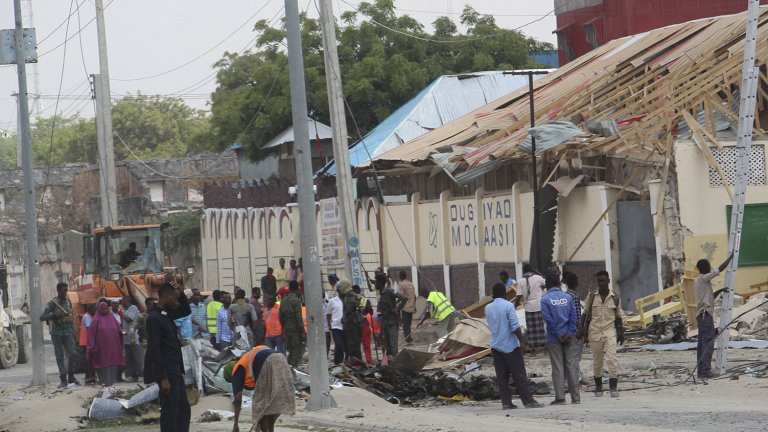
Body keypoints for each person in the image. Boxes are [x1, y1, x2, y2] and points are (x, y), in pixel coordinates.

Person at [485, 283, 543, 409]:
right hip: (510, 346)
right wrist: (522, 341)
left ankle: (506, 402)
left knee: (502, 376)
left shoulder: (488, 308)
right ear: (504, 294)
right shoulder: (508, 306)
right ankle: (528, 401)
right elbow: (515, 326)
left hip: (496, 345)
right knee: (519, 374)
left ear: (493, 295)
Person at [145, 282, 192, 432]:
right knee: (170, 412)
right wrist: (162, 377)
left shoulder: (167, 314)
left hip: (176, 370)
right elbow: (155, 349)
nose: (176, 301)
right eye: (174, 297)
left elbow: (185, 309)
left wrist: (181, 292)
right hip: (167, 372)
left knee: (183, 410)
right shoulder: (154, 318)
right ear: (166, 296)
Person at [225, 345, 295, 432]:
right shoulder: (246, 359)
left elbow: (238, 399)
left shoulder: (237, 370)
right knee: (270, 404)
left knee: (260, 406)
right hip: (282, 360)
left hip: (268, 362)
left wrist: (235, 424)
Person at [582, 270, 625, 398]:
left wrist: (621, 333)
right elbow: (585, 314)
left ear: (608, 281)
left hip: (610, 331)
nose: (601, 283)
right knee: (597, 361)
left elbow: (618, 317)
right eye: (599, 281)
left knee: (612, 359)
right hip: (594, 332)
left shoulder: (615, 297)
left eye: (603, 281)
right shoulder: (591, 297)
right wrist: (581, 331)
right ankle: (599, 387)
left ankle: (613, 388)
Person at [540, 272, 580, 405]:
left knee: (558, 367)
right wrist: (569, 333)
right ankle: (576, 397)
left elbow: (549, 320)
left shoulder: (545, 299)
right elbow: (573, 317)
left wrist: (558, 335)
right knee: (571, 365)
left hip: (554, 338)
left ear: (547, 285)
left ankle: (560, 398)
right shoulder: (567, 297)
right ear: (559, 283)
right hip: (569, 337)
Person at [695, 254, 733, 379]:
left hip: (702, 315)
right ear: (705, 268)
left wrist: (721, 290)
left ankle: (701, 371)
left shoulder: (702, 281)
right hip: (705, 315)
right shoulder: (703, 278)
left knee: (702, 344)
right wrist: (730, 257)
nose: (711, 267)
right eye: (709, 266)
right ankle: (705, 372)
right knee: (707, 344)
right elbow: (719, 270)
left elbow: (710, 296)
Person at [40, 282, 80, 388]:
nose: (65, 293)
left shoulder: (68, 302)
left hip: (68, 331)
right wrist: (54, 315)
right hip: (57, 332)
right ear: (58, 291)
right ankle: (63, 379)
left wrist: (74, 331)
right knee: (60, 356)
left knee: (73, 353)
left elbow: (70, 317)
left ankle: (71, 376)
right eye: (63, 291)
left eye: (66, 290)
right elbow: (42, 317)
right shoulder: (52, 303)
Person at [87, 301, 125, 386]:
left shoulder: (112, 318)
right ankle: (104, 384)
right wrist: (92, 346)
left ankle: (111, 384)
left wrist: (122, 333)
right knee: (103, 366)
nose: (104, 311)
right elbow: (91, 334)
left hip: (112, 349)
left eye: (106, 309)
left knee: (112, 366)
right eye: (102, 309)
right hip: (101, 349)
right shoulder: (95, 320)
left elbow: (119, 329)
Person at [561, 270, 587, 386]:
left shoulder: (564, 296)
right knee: (575, 357)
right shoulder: (575, 296)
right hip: (575, 330)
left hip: (566, 330)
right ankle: (576, 380)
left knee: (569, 356)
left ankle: (572, 378)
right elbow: (576, 315)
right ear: (576, 283)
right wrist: (580, 330)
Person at [514, 265, 547, 350]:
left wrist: (514, 307)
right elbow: (547, 283)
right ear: (532, 270)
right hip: (539, 305)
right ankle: (543, 346)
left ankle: (533, 349)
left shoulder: (521, 281)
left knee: (531, 329)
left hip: (528, 308)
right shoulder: (538, 277)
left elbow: (518, 296)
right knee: (541, 327)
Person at [376, 273, 407, 358]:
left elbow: (404, 298)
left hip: (392, 323)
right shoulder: (381, 295)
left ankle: (395, 363)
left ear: (380, 283)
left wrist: (397, 309)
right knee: (387, 347)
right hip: (384, 324)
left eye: (376, 282)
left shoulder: (389, 291)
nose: (375, 284)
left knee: (393, 346)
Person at [278, 281, 306, 367]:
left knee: (290, 352)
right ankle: (291, 370)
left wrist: (283, 329)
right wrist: (302, 332)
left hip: (286, 330)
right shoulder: (296, 301)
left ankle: (288, 369)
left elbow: (280, 317)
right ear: (297, 289)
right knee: (297, 353)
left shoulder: (283, 301)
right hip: (295, 331)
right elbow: (298, 318)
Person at [121, 296, 144, 382]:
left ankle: (141, 374)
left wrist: (121, 315)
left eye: (122, 300)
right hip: (126, 338)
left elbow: (129, 319)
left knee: (137, 357)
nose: (121, 302)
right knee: (129, 359)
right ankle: (131, 376)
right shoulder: (125, 309)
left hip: (133, 338)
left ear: (127, 300)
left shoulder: (133, 308)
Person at [340, 279, 362, 362]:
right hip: (352, 324)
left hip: (352, 325)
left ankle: (356, 364)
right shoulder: (348, 295)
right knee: (352, 347)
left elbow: (350, 307)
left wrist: (344, 317)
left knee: (353, 347)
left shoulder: (349, 295)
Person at [354, 284, 374, 363]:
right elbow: (371, 311)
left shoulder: (354, 300)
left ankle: (360, 361)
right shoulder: (365, 300)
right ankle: (367, 360)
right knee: (366, 344)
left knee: (359, 344)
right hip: (363, 323)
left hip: (359, 324)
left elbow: (371, 312)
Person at [79, 304, 97, 384]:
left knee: (90, 361)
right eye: (94, 310)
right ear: (90, 310)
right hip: (86, 342)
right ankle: (89, 378)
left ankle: (91, 378)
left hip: (87, 342)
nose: (95, 311)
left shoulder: (89, 316)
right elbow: (90, 329)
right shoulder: (87, 317)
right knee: (88, 361)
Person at [327, 286, 345, 365]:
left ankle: (341, 362)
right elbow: (328, 314)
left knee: (343, 345)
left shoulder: (346, 300)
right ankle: (337, 362)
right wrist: (329, 324)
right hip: (336, 326)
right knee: (338, 344)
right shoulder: (332, 301)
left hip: (345, 326)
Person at [398, 271, 416, 343]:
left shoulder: (402, 284)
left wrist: (396, 303)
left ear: (400, 276)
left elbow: (400, 296)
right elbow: (414, 296)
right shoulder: (411, 284)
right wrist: (415, 306)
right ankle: (409, 337)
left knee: (405, 324)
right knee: (409, 323)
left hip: (405, 306)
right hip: (411, 305)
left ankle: (407, 339)